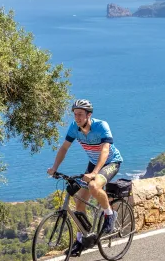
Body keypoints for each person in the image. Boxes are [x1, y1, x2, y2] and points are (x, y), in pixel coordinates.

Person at [47, 99, 123, 257]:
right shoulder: (74, 128)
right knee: (79, 202)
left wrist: (95, 173)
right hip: (93, 163)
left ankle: (109, 213)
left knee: (94, 186)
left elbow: (105, 151)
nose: (77, 117)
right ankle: (83, 239)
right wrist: (55, 168)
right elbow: (64, 148)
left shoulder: (101, 126)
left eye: (80, 114)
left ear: (89, 115)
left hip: (110, 162)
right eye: (75, 114)